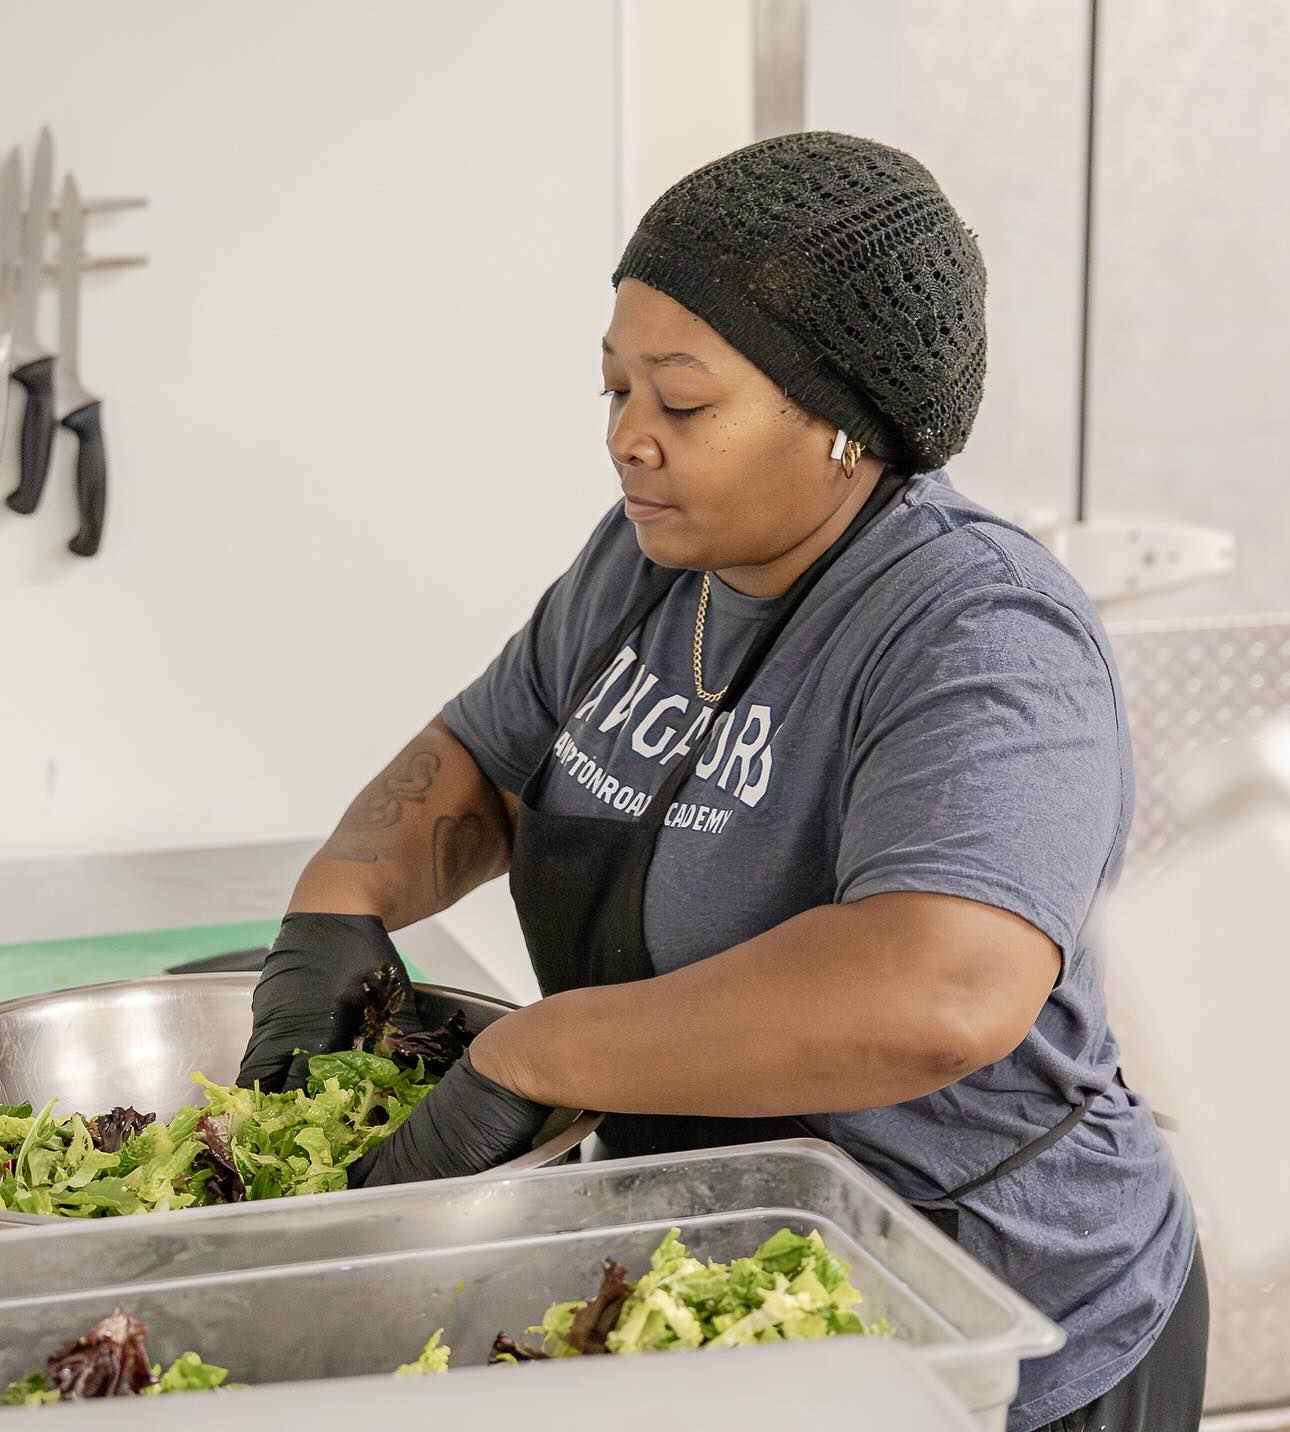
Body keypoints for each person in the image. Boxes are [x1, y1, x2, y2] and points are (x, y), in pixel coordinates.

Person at [238, 132, 1204, 1430]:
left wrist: (541, 1053)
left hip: (992, 1333)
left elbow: (942, 988)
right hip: (732, 1301)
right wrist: (335, 910)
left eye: (680, 404)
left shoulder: (977, 631)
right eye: (614, 391)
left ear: (849, 425)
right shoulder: (643, 568)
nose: (629, 441)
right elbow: (478, 756)